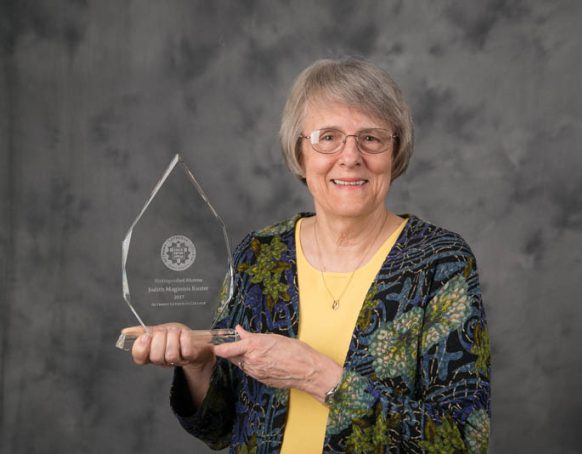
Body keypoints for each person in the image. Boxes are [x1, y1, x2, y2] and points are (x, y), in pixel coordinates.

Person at [125, 57, 490, 453]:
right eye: (327, 137)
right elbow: (220, 428)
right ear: (300, 152)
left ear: (394, 151)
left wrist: (319, 377)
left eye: (371, 138)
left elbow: (464, 442)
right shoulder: (258, 256)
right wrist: (196, 365)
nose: (350, 156)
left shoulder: (441, 262)